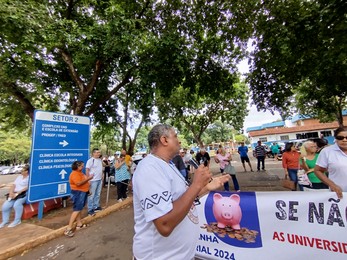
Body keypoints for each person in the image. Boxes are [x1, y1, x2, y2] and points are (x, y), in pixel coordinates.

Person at [132, 124, 230, 259]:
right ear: (164, 140)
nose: (179, 141)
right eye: (176, 136)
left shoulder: (168, 165)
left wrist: (206, 187)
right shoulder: (150, 168)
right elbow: (164, 225)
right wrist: (196, 184)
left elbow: (182, 198)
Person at [315, 127, 347, 199]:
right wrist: (332, 185)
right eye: (340, 137)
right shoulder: (327, 151)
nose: (344, 140)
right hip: (339, 195)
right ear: (335, 138)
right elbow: (318, 170)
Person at [64, 161, 93, 237]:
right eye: (81, 166)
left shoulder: (80, 173)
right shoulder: (74, 174)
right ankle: (68, 228)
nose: (82, 167)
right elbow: (78, 183)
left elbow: (84, 182)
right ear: (77, 166)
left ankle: (79, 224)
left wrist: (88, 190)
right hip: (78, 193)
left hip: (83, 192)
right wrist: (89, 178)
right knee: (76, 209)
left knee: (79, 208)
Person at [86, 148, 103, 216]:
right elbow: (87, 170)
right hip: (93, 180)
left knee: (97, 194)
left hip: (99, 179)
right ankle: (90, 209)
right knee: (91, 195)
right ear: (93, 153)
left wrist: (102, 176)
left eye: (99, 152)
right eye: (97, 152)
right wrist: (88, 179)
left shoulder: (99, 160)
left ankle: (96, 206)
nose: (98, 154)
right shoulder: (90, 161)